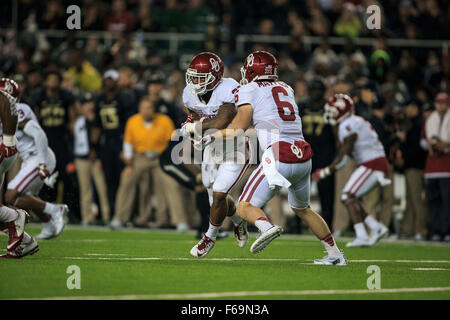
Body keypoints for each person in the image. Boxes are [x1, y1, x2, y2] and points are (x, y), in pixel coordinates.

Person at [198, 51, 347, 265]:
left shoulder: (248, 89)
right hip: (303, 153)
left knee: (243, 207)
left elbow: (238, 128)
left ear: (252, 71)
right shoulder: (286, 88)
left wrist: (212, 137)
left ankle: (266, 227)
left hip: (278, 154)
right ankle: (335, 255)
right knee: (302, 209)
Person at [181, 52, 251, 258]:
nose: (195, 82)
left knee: (220, 194)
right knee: (216, 200)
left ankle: (209, 238)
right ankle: (239, 222)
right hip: (211, 147)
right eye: (193, 77)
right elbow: (193, 116)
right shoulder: (189, 93)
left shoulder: (228, 88)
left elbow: (221, 120)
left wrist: (195, 127)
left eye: (200, 78)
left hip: (234, 146)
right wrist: (190, 124)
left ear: (215, 77)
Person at [313, 94, 390, 248]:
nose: (330, 114)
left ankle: (362, 235)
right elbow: (345, 157)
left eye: (333, 111)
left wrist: (325, 172)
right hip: (373, 163)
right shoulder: (354, 121)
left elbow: (343, 155)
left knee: (347, 196)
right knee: (350, 196)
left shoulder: (347, 124)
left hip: (372, 164)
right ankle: (375, 227)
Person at [111, 96, 181, 228]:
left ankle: (178, 221)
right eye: (143, 108)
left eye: (149, 108)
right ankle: (119, 218)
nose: (146, 111)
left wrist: (168, 161)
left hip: (160, 158)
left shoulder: (164, 120)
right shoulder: (133, 121)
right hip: (139, 158)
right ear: (139, 109)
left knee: (170, 182)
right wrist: (128, 164)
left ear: (154, 110)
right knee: (127, 180)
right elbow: (127, 143)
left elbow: (172, 142)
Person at [5, 101, 68, 240]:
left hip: (37, 157)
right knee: (27, 197)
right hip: (28, 159)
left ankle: (56, 210)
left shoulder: (17, 110)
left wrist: (42, 163)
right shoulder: (4, 115)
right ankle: (49, 226)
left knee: (11, 195)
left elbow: (39, 134)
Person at [29, 70, 77, 223]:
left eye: (56, 80)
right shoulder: (39, 97)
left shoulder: (65, 97)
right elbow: (33, 118)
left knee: (65, 178)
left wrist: (72, 135)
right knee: (44, 178)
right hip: (45, 142)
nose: (53, 83)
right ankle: (43, 211)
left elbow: (72, 119)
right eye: (50, 79)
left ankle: (67, 211)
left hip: (62, 142)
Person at [0, 78, 37, 258]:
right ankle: (26, 241)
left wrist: (7, 140)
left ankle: (14, 217)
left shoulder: (5, 98)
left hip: (3, 144)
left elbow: (5, 100)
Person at [91, 70, 134, 215]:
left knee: (122, 178)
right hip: (106, 144)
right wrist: (93, 148)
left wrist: (127, 147)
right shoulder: (100, 99)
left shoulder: (124, 98)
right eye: (107, 79)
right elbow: (96, 125)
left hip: (121, 141)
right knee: (109, 179)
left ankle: (123, 213)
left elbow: (130, 124)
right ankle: (111, 212)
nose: (109, 82)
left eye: (112, 79)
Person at [73, 93, 110, 225]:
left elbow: (100, 137)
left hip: (96, 159)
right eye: (85, 104)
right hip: (81, 158)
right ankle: (87, 217)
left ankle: (106, 217)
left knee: (102, 188)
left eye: (90, 103)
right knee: (85, 190)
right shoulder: (78, 121)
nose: (88, 106)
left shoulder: (98, 120)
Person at [397, 99, 428, 240]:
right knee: (410, 199)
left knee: (416, 200)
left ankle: (420, 230)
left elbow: (416, 149)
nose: (407, 110)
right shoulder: (413, 123)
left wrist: (405, 159)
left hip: (415, 167)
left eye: (409, 107)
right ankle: (408, 230)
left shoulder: (418, 124)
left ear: (415, 107)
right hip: (411, 166)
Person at [424, 92, 450, 242]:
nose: (441, 105)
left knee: (446, 201)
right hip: (432, 167)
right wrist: (432, 144)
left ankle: (447, 231)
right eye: (439, 102)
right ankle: (437, 230)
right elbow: (424, 140)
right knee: (433, 201)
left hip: (447, 167)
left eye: (444, 103)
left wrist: (443, 144)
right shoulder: (430, 119)